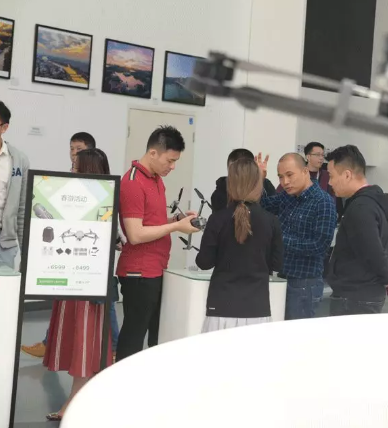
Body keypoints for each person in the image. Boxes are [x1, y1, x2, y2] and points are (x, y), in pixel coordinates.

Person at [22, 132, 116, 359]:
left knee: (103, 308)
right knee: (68, 304)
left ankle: (112, 349)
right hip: (69, 263)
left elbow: (108, 222)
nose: (73, 154)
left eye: (78, 150)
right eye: (71, 149)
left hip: (91, 267)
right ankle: (51, 343)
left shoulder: (103, 192)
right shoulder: (67, 184)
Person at [116, 125, 199, 361]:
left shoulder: (156, 180)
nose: (172, 167)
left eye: (175, 162)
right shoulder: (133, 182)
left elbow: (152, 223)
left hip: (156, 268)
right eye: (170, 161)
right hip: (139, 272)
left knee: (156, 333)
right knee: (134, 335)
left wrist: (176, 220)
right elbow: (135, 234)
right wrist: (176, 227)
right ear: (153, 153)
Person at [43, 148, 113, 422]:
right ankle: (82, 400)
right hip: (75, 280)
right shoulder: (88, 201)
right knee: (83, 343)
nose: (70, 171)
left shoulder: (100, 203)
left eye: (75, 167)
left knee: (85, 344)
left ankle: (75, 403)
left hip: (87, 283)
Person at [196, 158, 283, 331]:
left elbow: (204, 262)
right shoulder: (271, 221)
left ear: (231, 184)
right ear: (258, 184)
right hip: (257, 307)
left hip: (221, 306)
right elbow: (277, 264)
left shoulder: (217, 219)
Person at [325, 145, 388, 315]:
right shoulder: (376, 200)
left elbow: (373, 252)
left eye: (331, 176)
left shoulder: (360, 208)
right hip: (366, 294)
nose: (329, 183)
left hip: (354, 297)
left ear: (347, 175)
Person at [258, 152, 337, 319]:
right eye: (280, 177)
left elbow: (319, 246)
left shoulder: (323, 201)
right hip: (282, 277)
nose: (285, 182)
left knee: (297, 332)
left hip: (305, 284)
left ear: (305, 171)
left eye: (290, 175)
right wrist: (260, 179)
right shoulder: (288, 197)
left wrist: (279, 239)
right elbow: (262, 206)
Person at [0, 101, 28, 268]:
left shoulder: (18, 160)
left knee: (3, 285)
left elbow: (22, 208)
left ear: (4, 128)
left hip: (3, 245)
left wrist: (25, 252)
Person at [210, 148, 276, 212]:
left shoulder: (266, 185)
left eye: (243, 171)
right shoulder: (220, 193)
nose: (238, 177)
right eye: (234, 171)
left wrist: (258, 181)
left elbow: (272, 210)